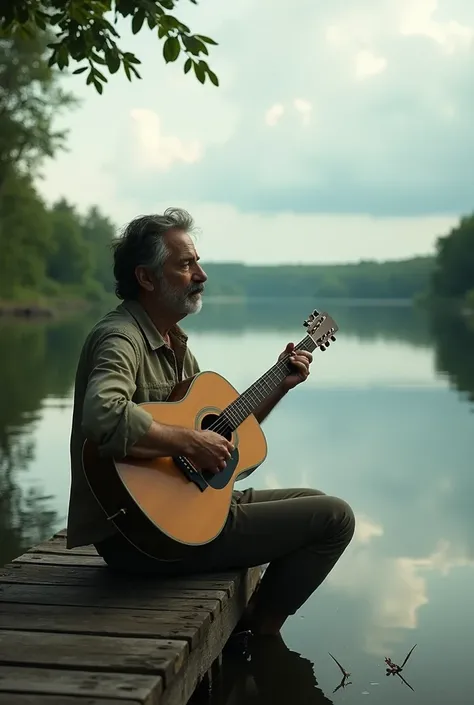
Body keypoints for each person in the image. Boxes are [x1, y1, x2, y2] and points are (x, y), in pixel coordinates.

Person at [66, 207, 355, 637]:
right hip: (140, 536)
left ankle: (258, 619)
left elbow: (221, 433)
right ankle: (259, 630)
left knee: (313, 498)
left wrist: (280, 383)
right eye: (185, 265)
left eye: (197, 262)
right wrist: (188, 443)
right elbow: (103, 416)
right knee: (335, 518)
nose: (201, 274)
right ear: (146, 278)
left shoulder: (175, 344)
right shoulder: (120, 338)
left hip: (182, 506)